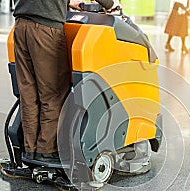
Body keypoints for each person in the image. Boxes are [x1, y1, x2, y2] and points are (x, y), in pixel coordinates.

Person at [13, 0, 118, 162]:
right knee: (53, 94)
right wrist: (110, 5)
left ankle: (30, 149)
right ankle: (46, 150)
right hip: (46, 29)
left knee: (28, 94)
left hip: (20, 26)